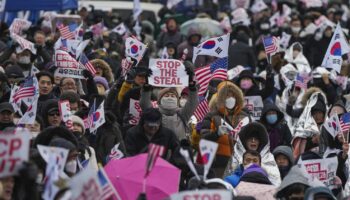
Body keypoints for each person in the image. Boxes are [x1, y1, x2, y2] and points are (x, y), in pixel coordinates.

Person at [201, 81, 249, 178]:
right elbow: (203, 138)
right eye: (227, 96)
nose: (230, 99)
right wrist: (216, 134)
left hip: (240, 163)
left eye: (233, 96)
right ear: (221, 99)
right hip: (219, 164)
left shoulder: (245, 117)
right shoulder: (212, 116)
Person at [139, 62, 198, 140]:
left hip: (177, 150)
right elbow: (144, 104)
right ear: (159, 101)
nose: (170, 97)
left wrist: (191, 85)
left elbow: (192, 103)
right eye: (166, 96)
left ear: (177, 101)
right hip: (158, 150)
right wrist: (146, 87)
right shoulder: (154, 114)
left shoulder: (183, 114)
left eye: (173, 96)